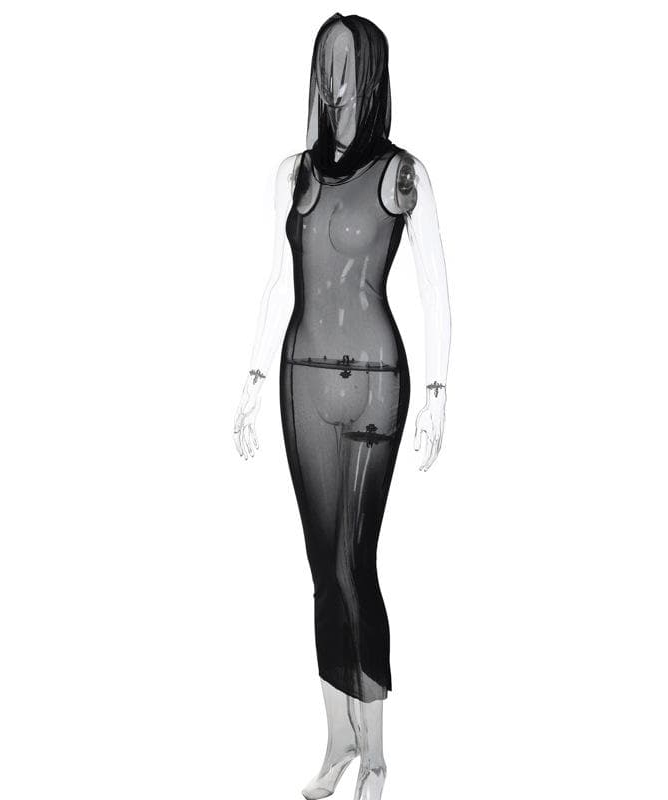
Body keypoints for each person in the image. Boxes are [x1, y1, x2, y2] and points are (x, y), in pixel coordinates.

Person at [233, 13, 451, 800]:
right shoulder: (292, 174)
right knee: (323, 568)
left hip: (375, 384)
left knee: (356, 562)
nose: (335, 80)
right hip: (301, 380)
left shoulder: (403, 175)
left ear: (372, 74)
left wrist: (438, 392)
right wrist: (252, 380)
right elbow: (275, 282)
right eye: (324, 63)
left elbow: (435, 289)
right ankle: (338, 742)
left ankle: (378, 755)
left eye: (348, 63)